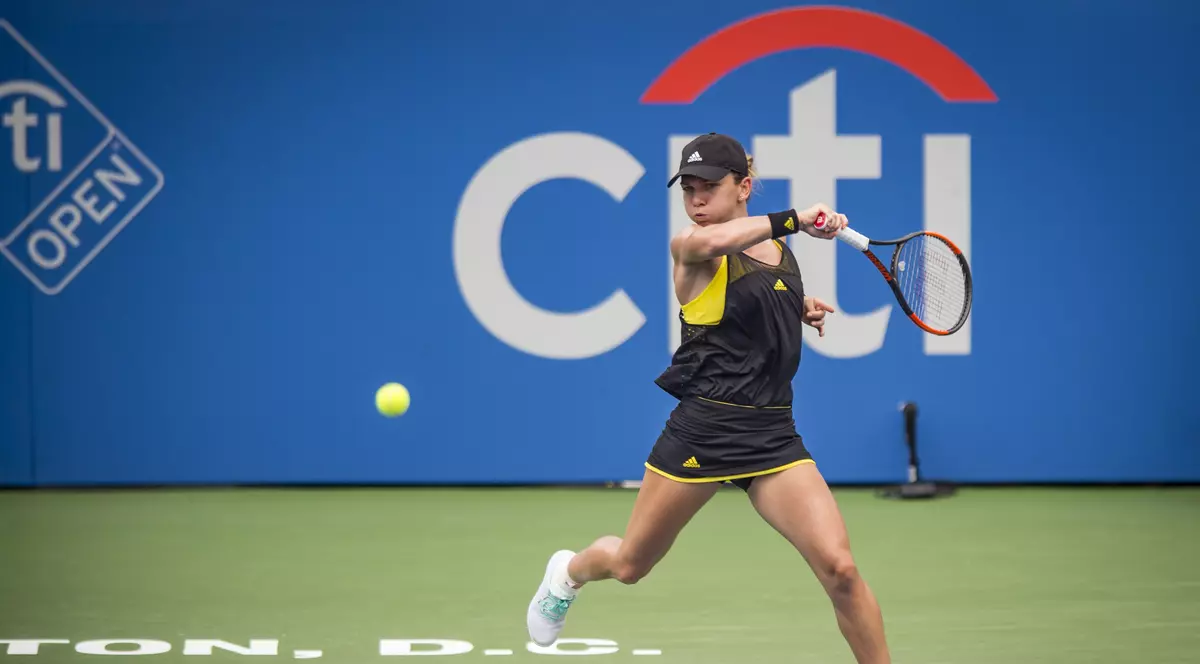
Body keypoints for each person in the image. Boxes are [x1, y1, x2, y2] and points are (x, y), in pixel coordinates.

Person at [525, 133, 891, 663]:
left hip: (772, 435)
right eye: (688, 189)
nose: (696, 200)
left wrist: (799, 308)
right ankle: (568, 572)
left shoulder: (780, 255)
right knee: (630, 565)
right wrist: (799, 217)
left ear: (743, 186)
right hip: (704, 430)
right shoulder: (691, 246)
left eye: (708, 188)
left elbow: (754, 302)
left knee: (842, 571)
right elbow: (719, 248)